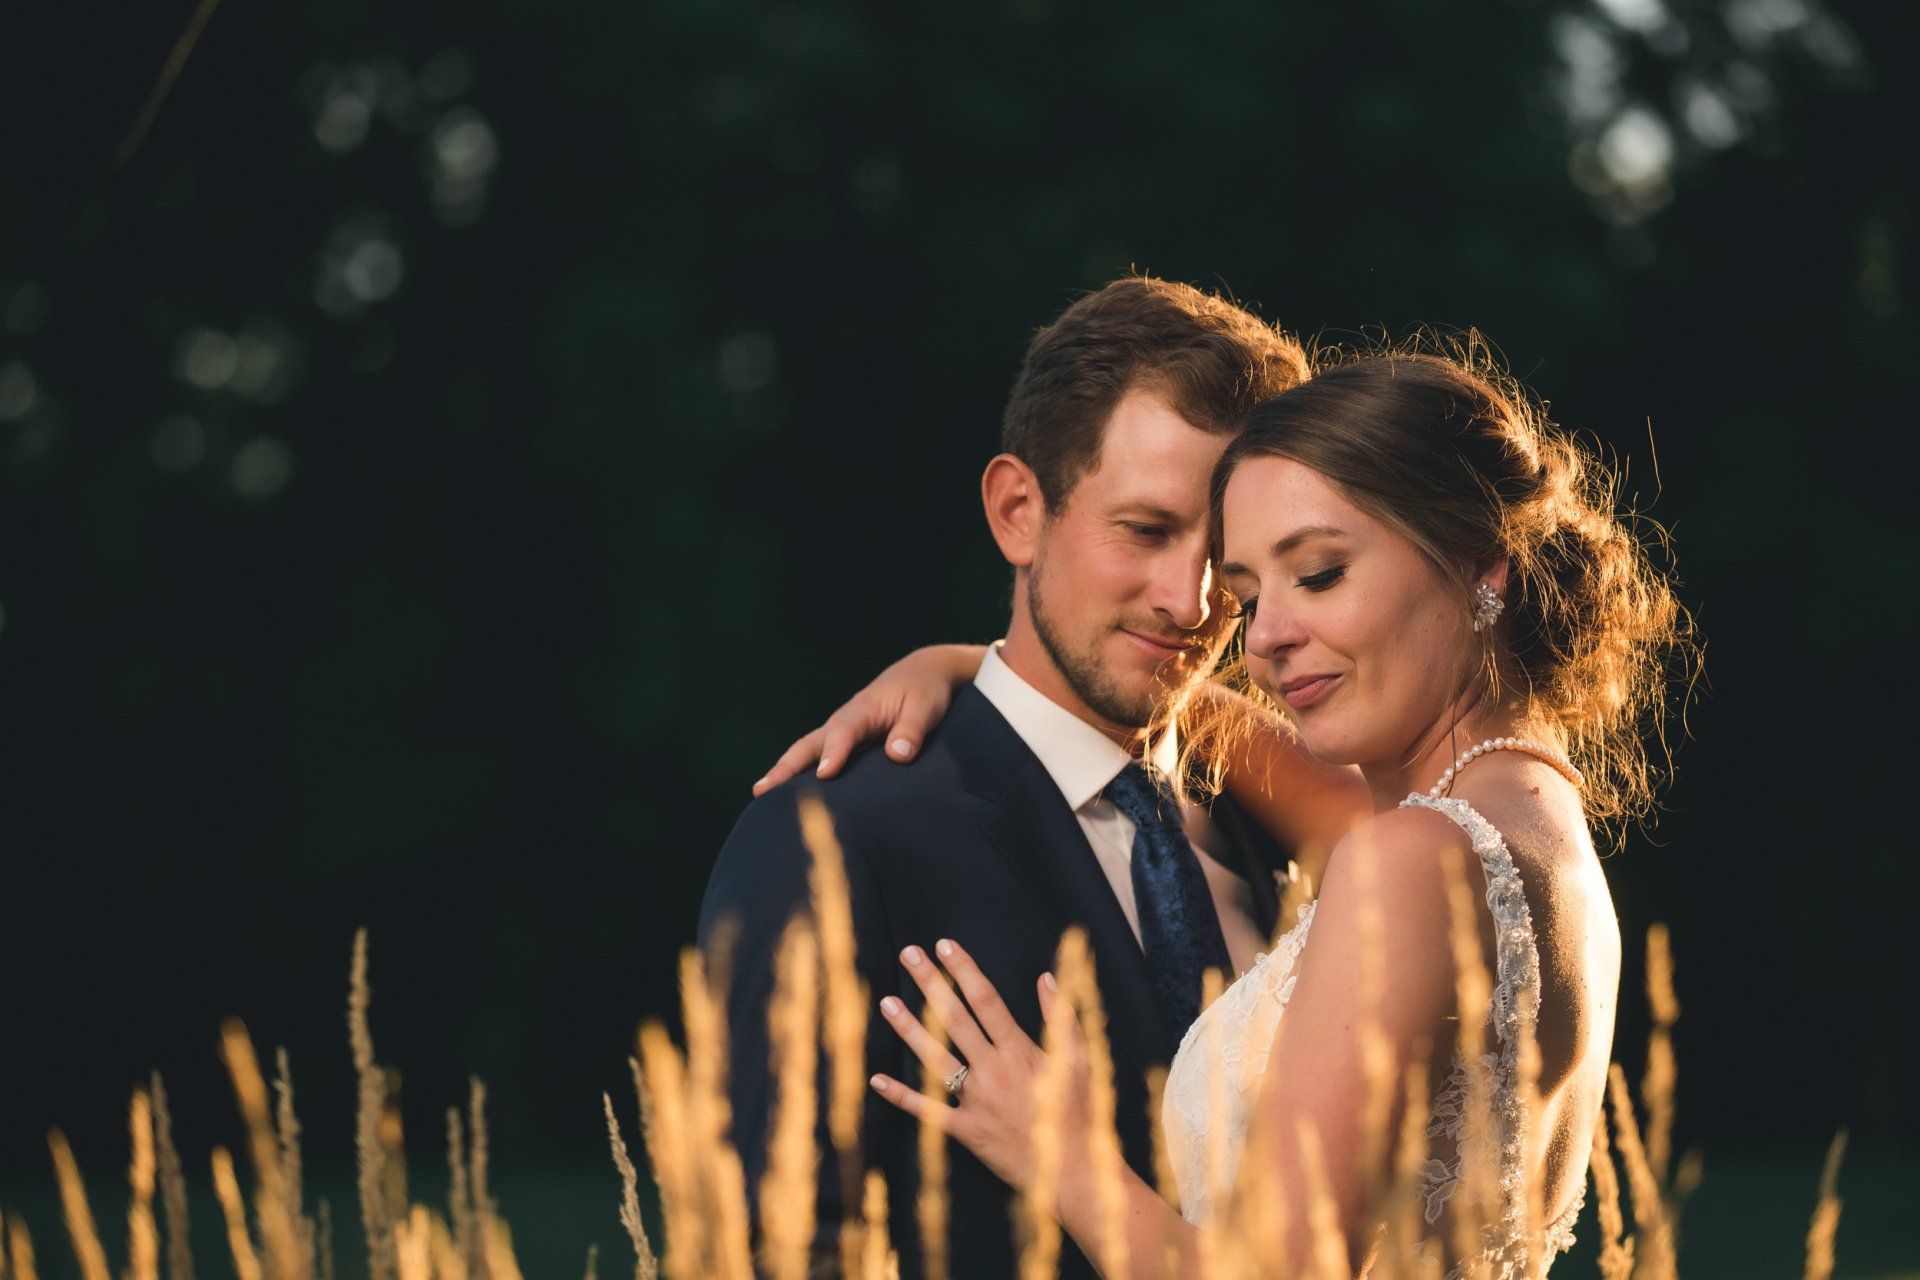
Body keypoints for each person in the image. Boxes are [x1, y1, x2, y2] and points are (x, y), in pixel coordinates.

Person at [771, 342, 1694, 1276]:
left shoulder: (1410, 857)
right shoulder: (1534, 823)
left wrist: (1066, 1158)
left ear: (1480, 568)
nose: (1266, 642)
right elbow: (1211, 727)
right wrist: (974, 666)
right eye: (1250, 595)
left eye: (1321, 573)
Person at [697, 276, 1369, 1279]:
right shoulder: (837, 840)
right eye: (1144, 530)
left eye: (1223, 557)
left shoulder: (1284, 822)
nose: (1190, 601)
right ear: (1019, 510)